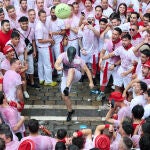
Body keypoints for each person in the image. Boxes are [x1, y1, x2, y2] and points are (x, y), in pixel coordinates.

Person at [54, 46, 94, 121]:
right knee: (64, 96)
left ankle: (67, 87)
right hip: (66, 76)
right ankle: (70, 111)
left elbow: (87, 70)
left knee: (71, 70)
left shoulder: (78, 59)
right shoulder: (62, 55)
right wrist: (58, 68)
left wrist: (91, 82)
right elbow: (56, 63)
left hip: (76, 75)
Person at [35, 10, 57, 86]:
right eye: (42, 17)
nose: (44, 18)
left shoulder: (42, 23)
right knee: (48, 64)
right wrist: (49, 40)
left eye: (45, 16)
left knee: (40, 64)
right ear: (39, 17)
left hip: (40, 47)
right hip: (44, 47)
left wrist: (49, 33)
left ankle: (41, 79)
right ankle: (48, 81)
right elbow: (40, 40)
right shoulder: (39, 26)